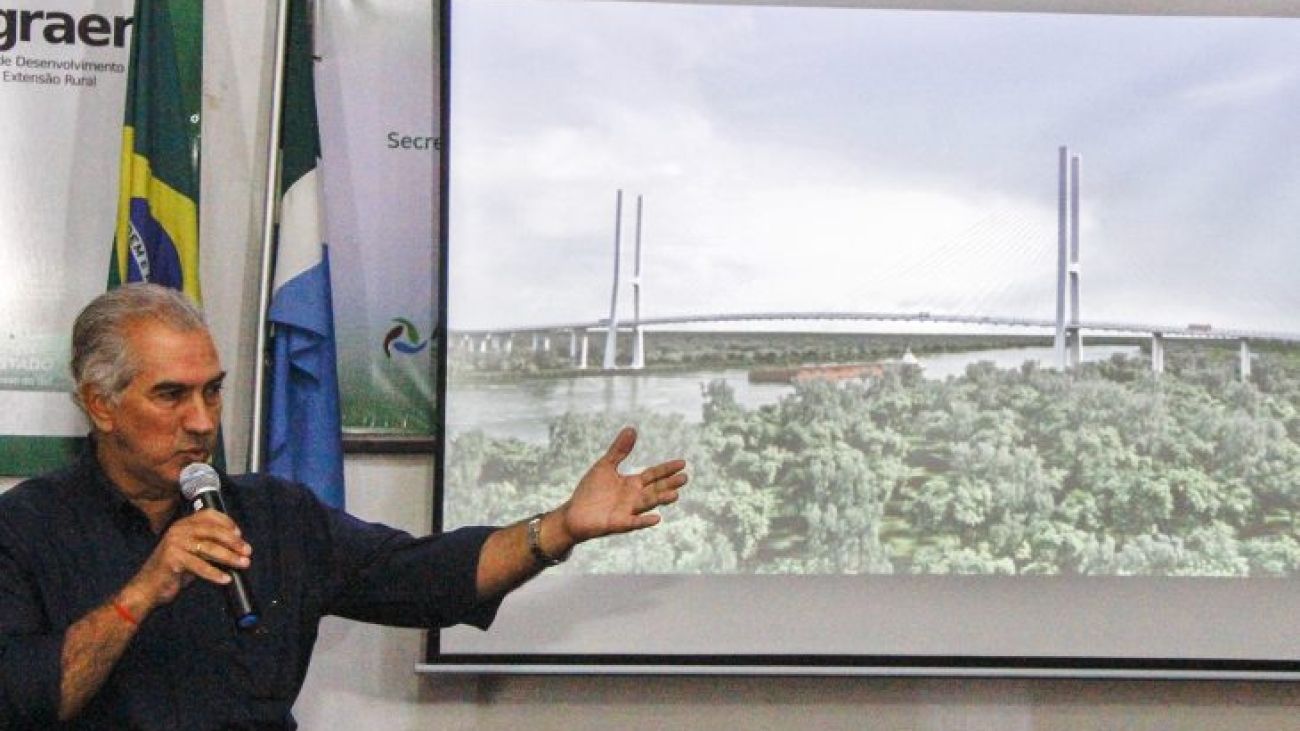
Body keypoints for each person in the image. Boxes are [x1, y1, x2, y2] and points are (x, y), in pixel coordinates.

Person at [0, 283, 688, 730]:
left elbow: (426, 576)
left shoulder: (276, 515)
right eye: (171, 395)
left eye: (212, 391)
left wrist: (559, 527)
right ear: (101, 404)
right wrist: (142, 592)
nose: (202, 419)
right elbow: (22, 700)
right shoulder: (27, 528)